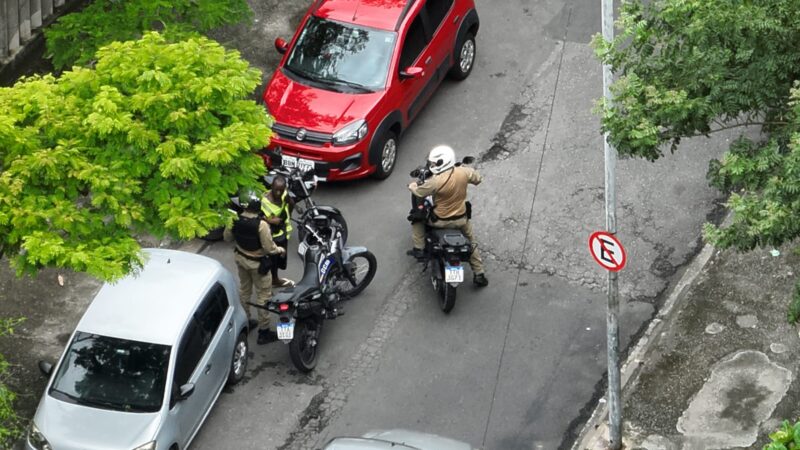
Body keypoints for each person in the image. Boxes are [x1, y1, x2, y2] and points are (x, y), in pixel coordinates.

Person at [407, 145, 488, 287]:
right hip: (461, 220)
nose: (432, 166)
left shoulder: (435, 181)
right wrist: (464, 168)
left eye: (434, 163)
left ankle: (419, 249)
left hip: (439, 221)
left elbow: (419, 192)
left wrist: (412, 185)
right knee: (471, 241)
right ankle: (479, 273)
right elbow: (478, 179)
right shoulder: (464, 172)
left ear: (441, 163)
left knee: (417, 219)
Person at [224, 190, 286, 344]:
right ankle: (264, 332)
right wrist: (280, 250)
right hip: (258, 264)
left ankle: (246, 321)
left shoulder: (234, 219)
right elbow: (269, 248)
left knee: (245, 291)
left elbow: (227, 238)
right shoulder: (261, 225)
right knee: (263, 296)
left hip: (241, 259)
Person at [261, 175, 295, 288]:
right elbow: (258, 217)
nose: (278, 193)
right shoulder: (265, 201)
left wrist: (289, 204)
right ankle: (269, 282)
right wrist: (270, 220)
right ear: (272, 187)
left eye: (281, 190)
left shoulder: (284, 195)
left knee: (279, 260)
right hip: (270, 236)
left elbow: (291, 205)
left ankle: (274, 279)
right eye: (276, 190)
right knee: (269, 260)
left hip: (282, 233)